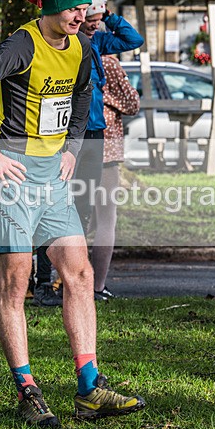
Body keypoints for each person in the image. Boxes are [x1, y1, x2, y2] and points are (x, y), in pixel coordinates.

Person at [0, 0, 145, 426]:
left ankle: (89, 386)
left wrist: (73, 148)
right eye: (74, 7)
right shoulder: (21, 44)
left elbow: (80, 97)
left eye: (85, 7)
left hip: (52, 180)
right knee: (16, 284)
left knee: (78, 274)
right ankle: (27, 390)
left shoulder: (79, 46)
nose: (83, 15)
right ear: (50, 6)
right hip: (13, 179)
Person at [33, 0, 144, 306]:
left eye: (89, 13)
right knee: (50, 209)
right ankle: (42, 281)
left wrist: (108, 15)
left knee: (81, 213)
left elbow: (133, 39)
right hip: (60, 138)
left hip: (92, 137)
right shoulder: (60, 44)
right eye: (80, 12)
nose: (86, 18)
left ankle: (72, 279)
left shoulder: (97, 44)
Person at [90, 54, 140, 298]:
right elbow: (132, 104)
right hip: (105, 150)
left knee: (73, 218)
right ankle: (96, 285)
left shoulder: (66, 50)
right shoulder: (107, 62)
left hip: (72, 148)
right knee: (106, 219)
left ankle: (54, 280)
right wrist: (109, 95)